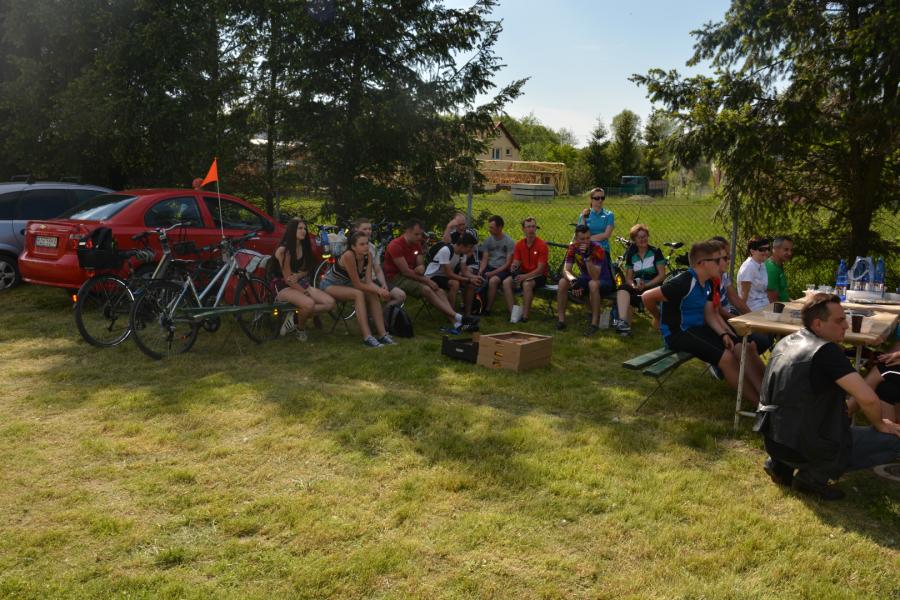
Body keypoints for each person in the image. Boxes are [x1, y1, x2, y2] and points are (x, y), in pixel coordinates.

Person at [756, 293, 900, 500]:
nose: (846, 326)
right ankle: (813, 476)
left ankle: (781, 465)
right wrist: (880, 424)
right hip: (806, 443)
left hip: (773, 439)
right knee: (894, 439)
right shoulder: (827, 351)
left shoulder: (786, 341)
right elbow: (867, 398)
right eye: (839, 321)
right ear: (818, 324)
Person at [642, 241, 765, 405]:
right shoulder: (684, 282)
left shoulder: (709, 281)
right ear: (702, 263)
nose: (721, 263)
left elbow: (710, 313)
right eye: (717, 260)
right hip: (679, 333)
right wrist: (658, 318)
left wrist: (724, 333)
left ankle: (767, 394)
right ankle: (760, 405)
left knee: (742, 347)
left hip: (698, 328)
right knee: (727, 358)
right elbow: (647, 297)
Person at [383, 218, 478, 333]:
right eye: (416, 234)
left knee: (439, 291)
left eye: (421, 234)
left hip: (411, 276)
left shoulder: (417, 244)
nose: (419, 237)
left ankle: (457, 323)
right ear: (407, 231)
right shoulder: (395, 245)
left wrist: (421, 268)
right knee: (427, 289)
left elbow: (421, 265)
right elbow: (405, 271)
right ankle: (459, 317)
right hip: (394, 278)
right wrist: (427, 280)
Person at [319, 231, 395, 348]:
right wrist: (379, 290)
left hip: (347, 284)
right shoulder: (349, 256)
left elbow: (368, 282)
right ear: (353, 247)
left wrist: (380, 290)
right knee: (358, 294)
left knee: (372, 293)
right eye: (362, 244)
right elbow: (358, 284)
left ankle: (382, 334)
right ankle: (367, 337)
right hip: (330, 285)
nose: (366, 246)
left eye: (367, 243)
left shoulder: (368, 255)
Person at [269, 218, 336, 341]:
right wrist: (304, 292)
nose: (303, 231)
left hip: (300, 282)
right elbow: (288, 279)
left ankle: (295, 318)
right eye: (300, 228)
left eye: (304, 228)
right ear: (292, 230)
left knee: (330, 303)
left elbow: (305, 270)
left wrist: (299, 276)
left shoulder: (303, 246)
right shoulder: (283, 250)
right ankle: (300, 329)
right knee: (309, 303)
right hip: (282, 286)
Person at [556, 225, 614, 336]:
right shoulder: (573, 247)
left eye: (588, 238)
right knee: (563, 282)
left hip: (604, 281)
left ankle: (594, 323)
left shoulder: (597, 249)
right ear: (576, 239)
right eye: (582, 239)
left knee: (593, 284)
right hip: (586, 279)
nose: (586, 241)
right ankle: (561, 320)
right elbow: (566, 270)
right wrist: (574, 282)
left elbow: (595, 277)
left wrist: (587, 258)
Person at [614, 224, 666, 336]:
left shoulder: (655, 252)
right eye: (639, 237)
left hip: (654, 285)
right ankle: (623, 324)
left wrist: (646, 285)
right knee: (623, 288)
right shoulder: (631, 254)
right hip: (638, 285)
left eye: (644, 236)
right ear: (634, 240)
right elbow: (628, 278)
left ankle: (660, 320)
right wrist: (633, 285)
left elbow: (662, 275)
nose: (643, 239)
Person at [502, 217, 549, 323]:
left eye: (533, 226)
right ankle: (513, 314)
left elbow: (540, 270)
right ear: (523, 229)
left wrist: (524, 277)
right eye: (528, 227)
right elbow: (516, 262)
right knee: (506, 282)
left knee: (527, 284)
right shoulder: (519, 244)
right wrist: (514, 266)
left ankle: (524, 316)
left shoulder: (542, 245)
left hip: (539, 275)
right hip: (524, 273)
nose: (531, 229)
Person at [353, 218, 405, 307]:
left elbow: (378, 270)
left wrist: (383, 283)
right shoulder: (350, 246)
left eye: (370, 229)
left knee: (401, 296)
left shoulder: (373, 248)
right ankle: (374, 312)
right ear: (356, 230)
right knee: (373, 297)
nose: (368, 231)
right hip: (359, 281)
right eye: (364, 229)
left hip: (374, 280)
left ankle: (384, 312)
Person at [424, 233, 483, 313]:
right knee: (455, 283)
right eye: (470, 247)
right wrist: (469, 279)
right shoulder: (446, 250)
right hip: (432, 276)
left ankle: (467, 313)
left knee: (471, 284)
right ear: (462, 245)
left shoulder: (463, 254)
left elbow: (464, 271)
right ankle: (451, 313)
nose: (471, 250)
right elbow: (449, 274)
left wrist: (474, 277)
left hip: (444, 276)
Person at [477, 215, 515, 316]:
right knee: (478, 279)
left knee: (493, 281)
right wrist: (481, 270)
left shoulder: (509, 242)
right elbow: (485, 259)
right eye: (489, 227)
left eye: (492, 227)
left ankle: (487, 309)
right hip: (490, 267)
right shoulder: (488, 241)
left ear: (500, 227)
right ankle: (476, 306)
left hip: (503, 270)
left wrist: (492, 273)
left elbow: (507, 263)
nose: (489, 230)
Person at [737, 236, 771, 311]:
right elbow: (743, 299)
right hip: (753, 309)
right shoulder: (748, 267)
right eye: (762, 249)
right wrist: (750, 316)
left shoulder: (762, 264)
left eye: (768, 249)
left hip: (765, 306)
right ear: (752, 251)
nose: (766, 252)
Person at [577, 187, 614, 255]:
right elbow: (581, 234)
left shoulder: (609, 215)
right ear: (591, 199)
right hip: (587, 249)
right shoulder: (584, 215)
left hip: (603, 249)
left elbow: (606, 235)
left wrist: (587, 239)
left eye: (602, 198)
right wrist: (583, 218)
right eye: (597, 198)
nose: (600, 200)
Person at [766, 235, 794, 302]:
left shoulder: (778, 265)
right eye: (786, 249)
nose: (790, 253)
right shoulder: (771, 268)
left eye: (791, 250)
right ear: (775, 249)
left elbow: (782, 294)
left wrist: (794, 302)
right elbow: (772, 301)